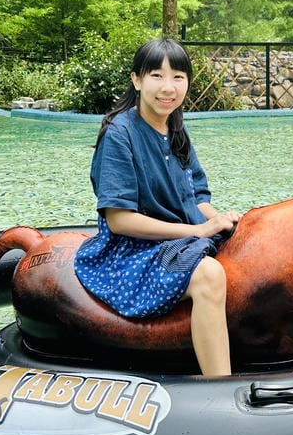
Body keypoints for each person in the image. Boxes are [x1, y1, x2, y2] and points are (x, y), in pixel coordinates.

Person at [74, 38, 240, 376]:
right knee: (209, 274)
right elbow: (120, 221)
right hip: (133, 251)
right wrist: (198, 229)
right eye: (156, 76)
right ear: (136, 80)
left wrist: (219, 219)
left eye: (178, 77)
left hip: (181, 241)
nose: (168, 87)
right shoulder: (118, 133)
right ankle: (220, 385)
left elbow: (197, 197)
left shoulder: (176, 128)